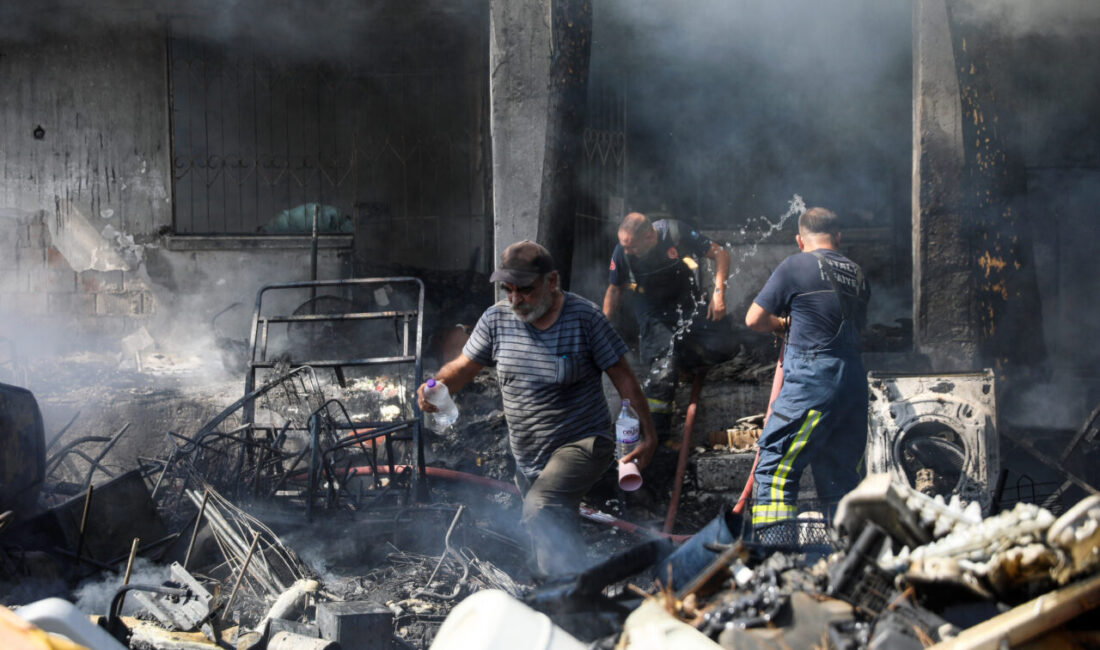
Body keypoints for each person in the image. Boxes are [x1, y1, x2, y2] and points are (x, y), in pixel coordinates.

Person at [417, 240, 657, 576]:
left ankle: (565, 596)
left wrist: (648, 435)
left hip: (583, 442)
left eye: (525, 290)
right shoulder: (496, 319)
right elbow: (464, 367)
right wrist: (436, 385)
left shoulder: (585, 318)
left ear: (552, 281)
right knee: (551, 535)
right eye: (509, 290)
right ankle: (579, 592)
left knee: (541, 508)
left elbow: (624, 376)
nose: (515, 299)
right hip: (528, 456)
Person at [744, 207, 871, 532]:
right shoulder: (858, 274)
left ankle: (774, 548)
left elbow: (754, 319)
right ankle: (847, 551)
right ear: (838, 238)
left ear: (800, 240)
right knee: (841, 476)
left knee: (775, 470)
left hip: (813, 382)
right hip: (854, 385)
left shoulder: (795, 265)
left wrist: (781, 325)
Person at [602, 212, 735, 441]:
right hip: (654, 316)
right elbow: (614, 290)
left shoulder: (675, 232)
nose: (627, 252)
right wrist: (602, 327)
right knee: (664, 372)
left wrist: (718, 294)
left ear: (649, 236)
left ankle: (686, 361)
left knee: (727, 344)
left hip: (687, 306)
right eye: (624, 246)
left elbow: (720, 253)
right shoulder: (621, 253)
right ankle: (656, 439)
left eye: (632, 246)